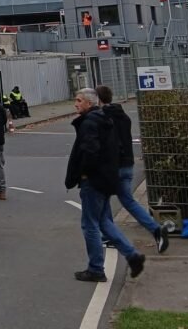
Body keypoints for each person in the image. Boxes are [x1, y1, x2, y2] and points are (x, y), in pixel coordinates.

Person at [65, 88, 145, 282]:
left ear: (89, 103)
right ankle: (132, 255)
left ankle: (96, 268)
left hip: (94, 180)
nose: (75, 104)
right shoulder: (104, 120)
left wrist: (84, 173)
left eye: (79, 100)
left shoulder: (90, 123)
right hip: (107, 178)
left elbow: (89, 151)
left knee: (90, 224)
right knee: (103, 221)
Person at [97, 85, 168, 253]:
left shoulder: (101, 118)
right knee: (128, 201)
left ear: (98, 99)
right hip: (127, 164)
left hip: (112, 166)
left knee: (103, 199)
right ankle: (156, 229)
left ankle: (108, 236)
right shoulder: (123, 116)